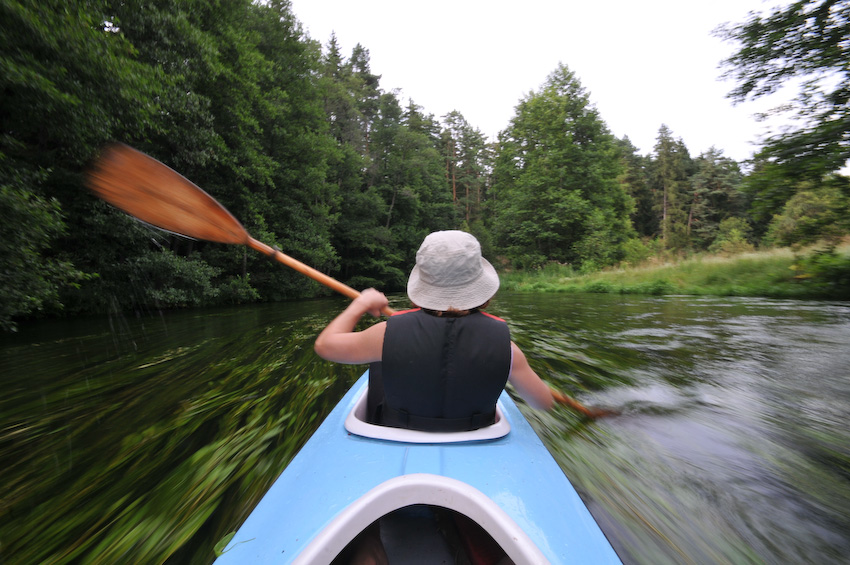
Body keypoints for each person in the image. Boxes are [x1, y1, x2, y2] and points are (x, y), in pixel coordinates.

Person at [314, 230, 554, 433]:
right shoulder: (507, 347)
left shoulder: (383, 335)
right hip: (474, 433)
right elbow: (543, 403)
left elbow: (325, 345)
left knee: (381, 360)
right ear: (482, 288)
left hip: (400, 429)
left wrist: (361, 304)